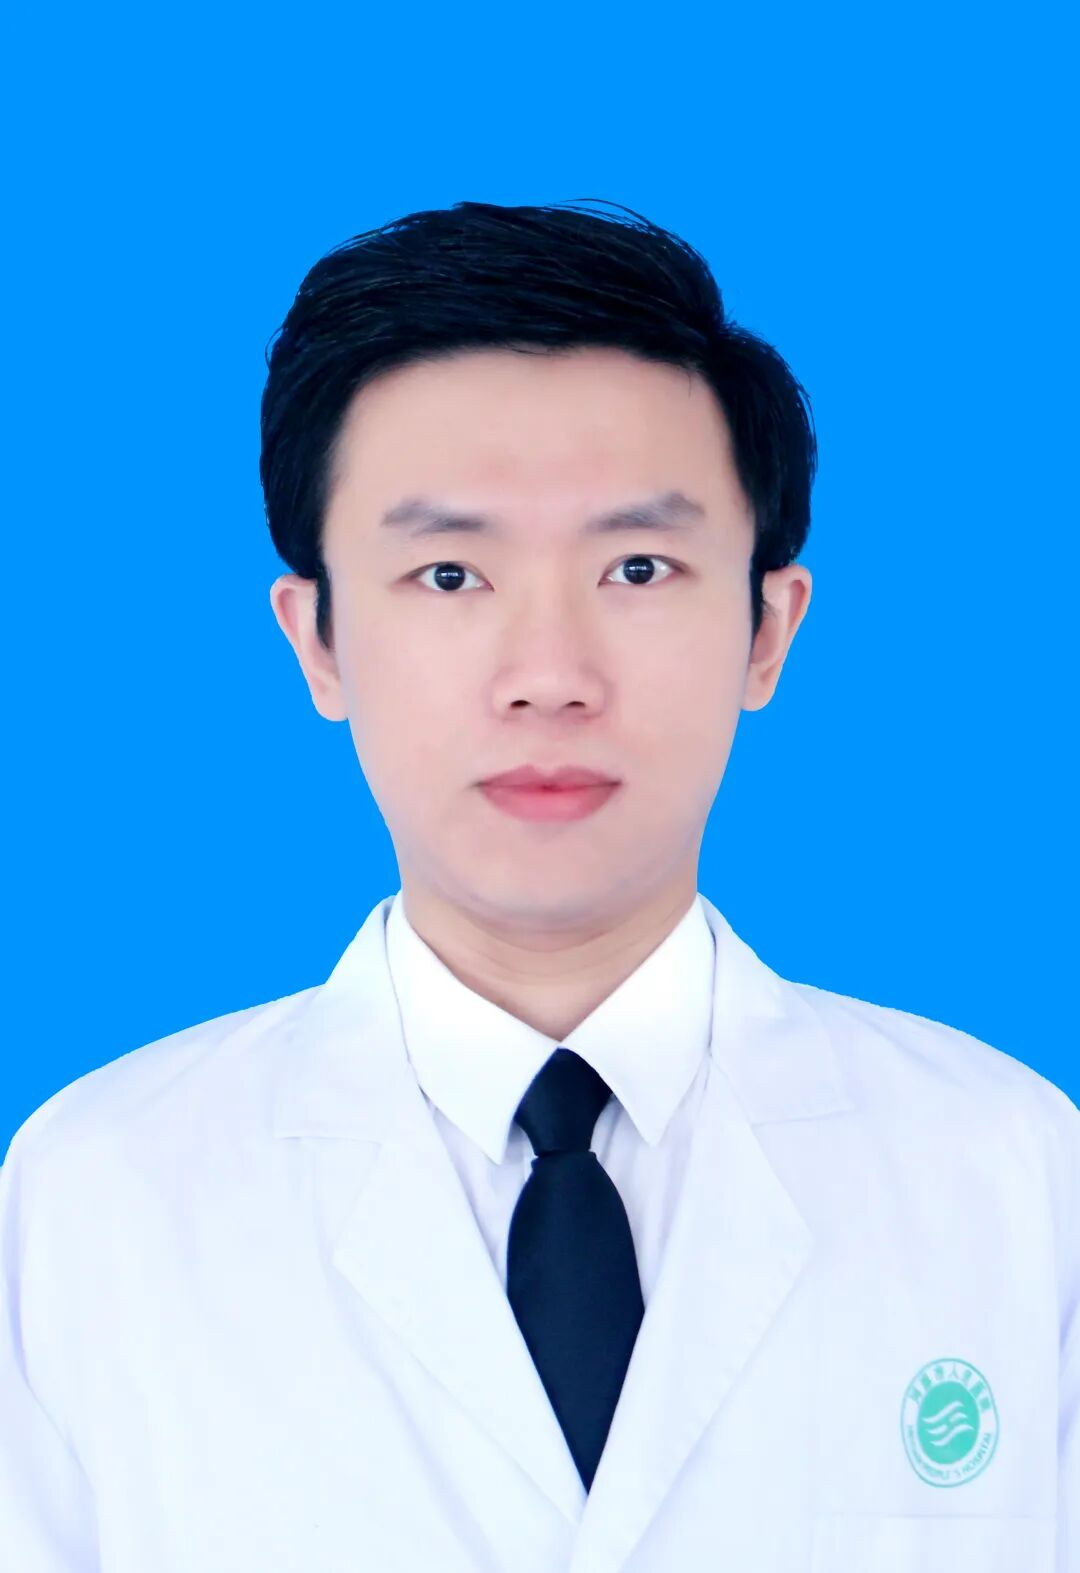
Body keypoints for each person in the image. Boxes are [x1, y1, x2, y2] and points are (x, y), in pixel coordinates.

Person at [2, 198, 1076, 1573]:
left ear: (768, 629)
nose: (550, 675)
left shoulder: (1012, 1173)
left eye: (639, 567)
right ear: (317, 641)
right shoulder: (94, 1199)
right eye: (449, 573)